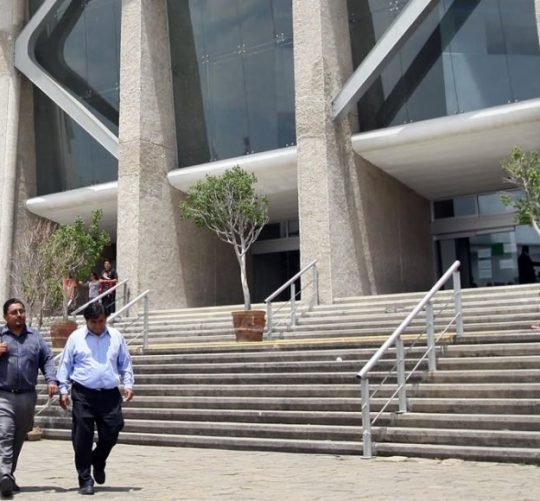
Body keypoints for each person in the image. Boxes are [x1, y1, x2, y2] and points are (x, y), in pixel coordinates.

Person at [56, 302, 134, 495]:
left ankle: (98, 459)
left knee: (113, 429)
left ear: (105, 319)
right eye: (94, 322)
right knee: (83, 437)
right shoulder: (76, 338)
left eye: (101, 321)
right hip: (83, 393)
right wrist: (63, 390)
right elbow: (65, 365)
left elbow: (125, 363)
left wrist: (128, 384)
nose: (98, 326)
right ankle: (85, 479)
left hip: (109, 394)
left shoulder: (116, 337)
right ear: (87, 321)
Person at [0, 298, 57, 497]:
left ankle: (7, 475)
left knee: (18, 436)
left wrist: (51, 380)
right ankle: (4, 474)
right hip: (3, 395)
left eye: (21, 311)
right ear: (5, 316)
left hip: (27, 396)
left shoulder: (35, 337)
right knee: (5, 433)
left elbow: (47, 359)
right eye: (14, 312)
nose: (19, 315)